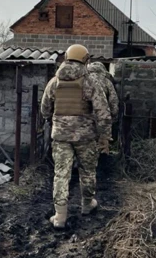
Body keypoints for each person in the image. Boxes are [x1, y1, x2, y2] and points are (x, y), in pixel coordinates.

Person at [41, 44, 111, 229]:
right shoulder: (90, 82)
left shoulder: (54, 82)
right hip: (86, 137)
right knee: (87, 172)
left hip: (61, 137)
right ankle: (87, 204)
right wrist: (104, 137)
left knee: (61, 174)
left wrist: (54, 120)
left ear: (66, 58)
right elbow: (103, 113)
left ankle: (60, 217)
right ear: (86, 60)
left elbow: (44, 109)